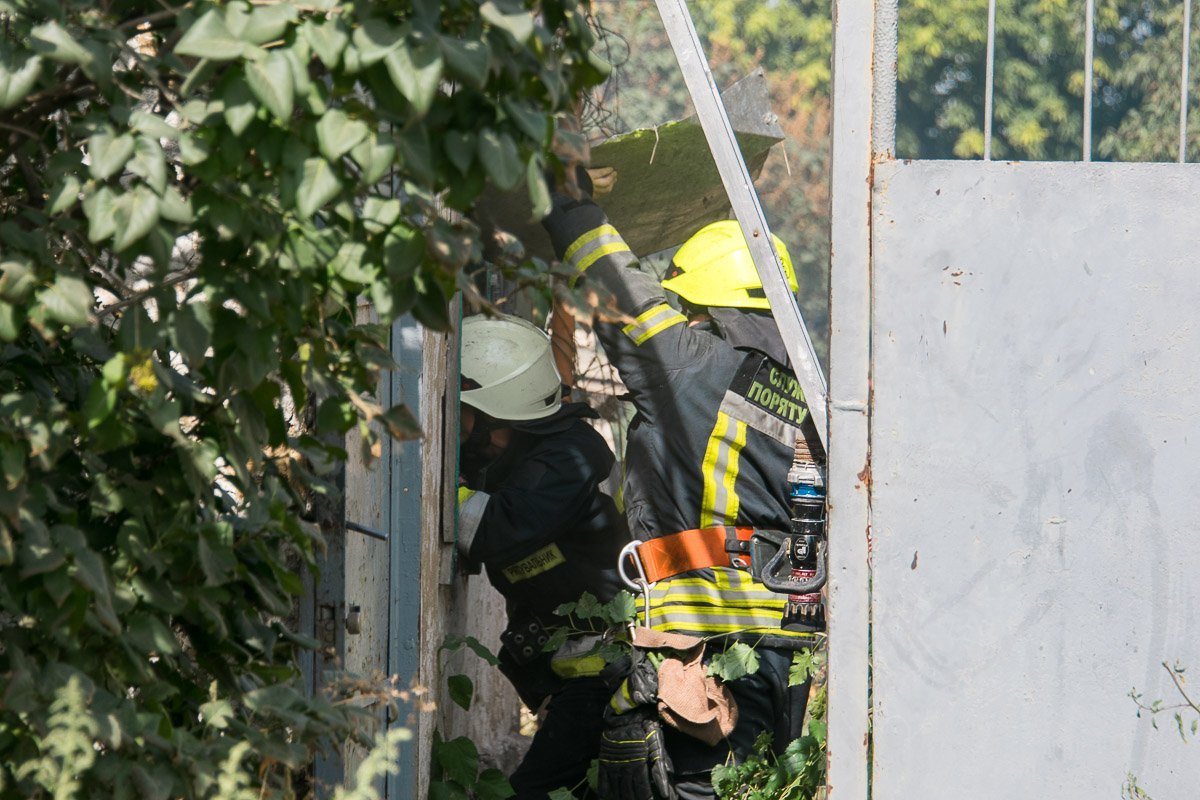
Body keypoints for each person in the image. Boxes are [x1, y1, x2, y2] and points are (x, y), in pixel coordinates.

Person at [541, 173, 825, 800]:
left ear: (703, 310)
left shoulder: (694, 366)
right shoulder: (820, 401)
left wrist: (562, 188)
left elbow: (614, 282)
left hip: (707, 653)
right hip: (789, 653)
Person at [457, 312, 632, 800]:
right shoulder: (517, 459)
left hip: (607, 677)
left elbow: (496, 529)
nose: (453, 426)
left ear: (494, 414)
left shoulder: (567, 458)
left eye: (460, 412)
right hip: (572, 678)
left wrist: (430, 483)